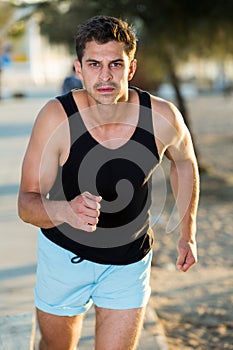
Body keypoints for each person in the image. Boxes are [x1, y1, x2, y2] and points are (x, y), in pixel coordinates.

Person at [18, 15, 199, 350]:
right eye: (94, 64)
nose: (105, 76)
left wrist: (187, 232)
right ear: (79, 68)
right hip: (64, 257)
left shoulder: (161, 117)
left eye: (115, 64)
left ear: (131, 69)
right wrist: (66, 211)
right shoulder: (56, 118)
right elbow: (26, 204)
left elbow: (185, 163)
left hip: (128, 262)